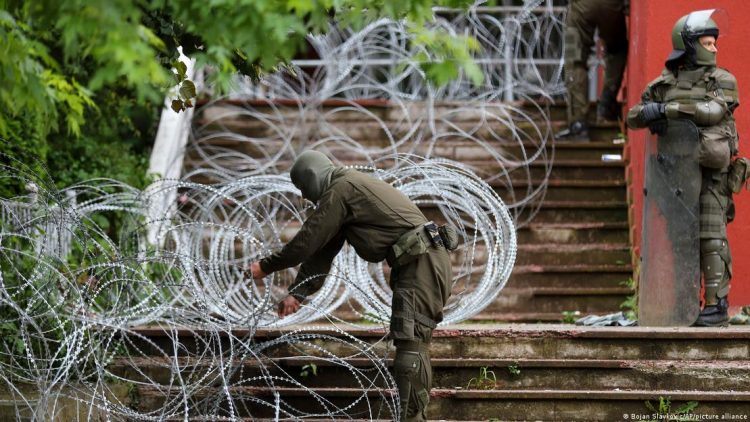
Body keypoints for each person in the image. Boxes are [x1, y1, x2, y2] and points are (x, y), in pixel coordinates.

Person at [246, 151, 454, 421]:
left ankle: (414, 419)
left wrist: (265, 266)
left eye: (302, 188)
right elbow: (321, 251)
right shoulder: (346, 189)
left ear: (311, 177)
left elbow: (308, 239)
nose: (304, 197)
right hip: (420, 262)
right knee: (412, 341)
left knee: (411, 342)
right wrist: (298, 293)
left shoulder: (341, 189)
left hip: (421, 263)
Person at [627, 10, 740, 327]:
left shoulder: (722, 80)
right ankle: (684, 302)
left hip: (711, 173)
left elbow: (712, 111)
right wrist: (651, 113)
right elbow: (634, 116)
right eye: (707, 42)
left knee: (711, 236)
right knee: (679, 240)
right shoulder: (664, 83)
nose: (714, 48)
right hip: (674, 175)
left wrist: (668, 110)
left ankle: (716, 304)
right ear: (688, 46)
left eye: (714, 42)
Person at [556, 0, 628, 140]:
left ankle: (578, 124)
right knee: (616, 49)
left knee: (574, 60)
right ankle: (606, 105)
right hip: (612, 5)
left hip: (581, 5)